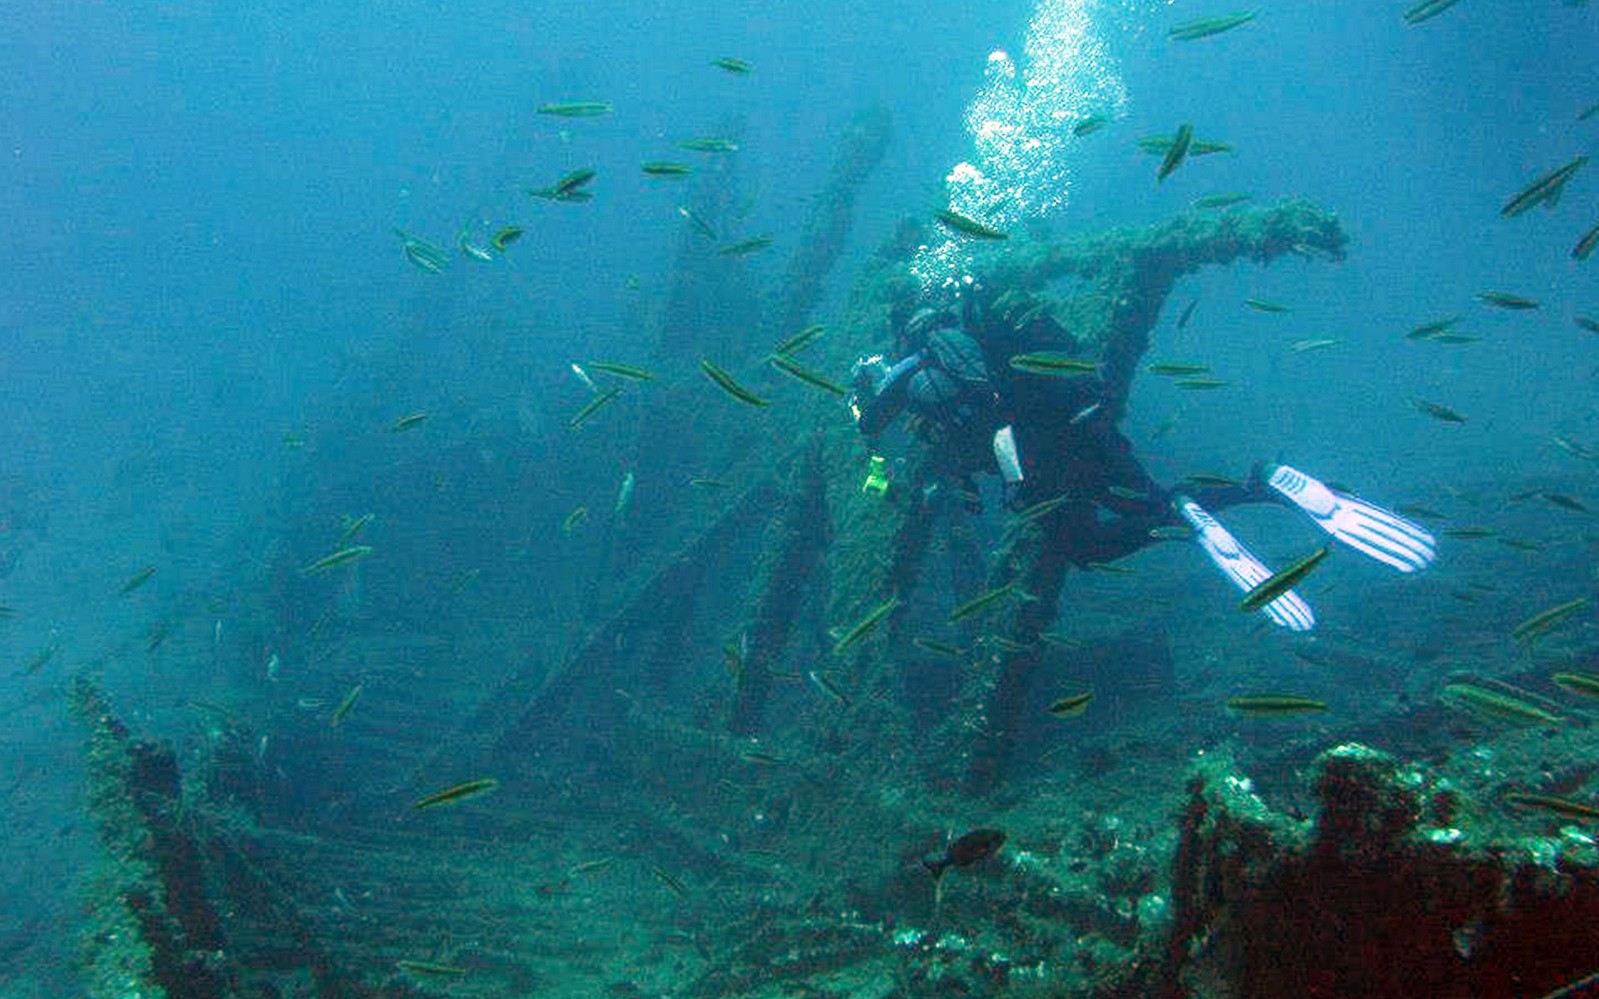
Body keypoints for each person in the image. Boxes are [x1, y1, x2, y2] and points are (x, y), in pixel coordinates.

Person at [848, 297, 1435, 632]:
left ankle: (1184, 516)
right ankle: (1262, 486)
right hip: (1083, 423)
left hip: (1037, 465)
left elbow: (883, 422)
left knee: (1088, 546)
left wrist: (862, 393)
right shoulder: (989, 330)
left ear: (904, 333)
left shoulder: (917, 371)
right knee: (1155, 497)